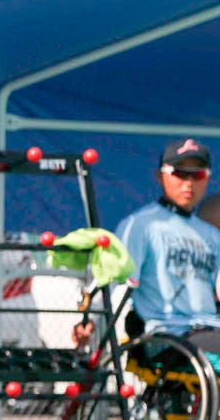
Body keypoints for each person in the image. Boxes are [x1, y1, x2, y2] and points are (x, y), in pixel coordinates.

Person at [73, 138, 220, 354]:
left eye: (197, 174)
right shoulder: (141, 224)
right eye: (180, 173)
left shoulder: (212, 234)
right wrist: (88, 320)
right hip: (168, 334)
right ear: (160, 176)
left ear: (207, 178)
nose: (189, 183)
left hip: (210, 330)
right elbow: (111, 279)